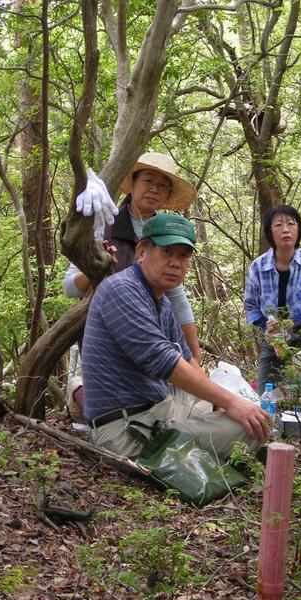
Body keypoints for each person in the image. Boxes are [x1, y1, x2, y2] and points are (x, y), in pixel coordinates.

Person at [82, 213, 270, 459]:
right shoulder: (121, 290)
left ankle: (206, 436)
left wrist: (223, 401)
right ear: (142, 252)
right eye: (167, 252)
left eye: (183, 255)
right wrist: (231, 403)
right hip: (127, 430)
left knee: (234, 404)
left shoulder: (160, 300)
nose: (175, 263)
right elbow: (164, 362)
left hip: (157, 410)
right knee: (249, 429)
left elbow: (188, 361)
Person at [63, 152, 201, 420]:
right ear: (133, 183)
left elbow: (177, 297)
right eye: (149, 180)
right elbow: (70, 287)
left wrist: (194, 352)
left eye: (163, 185)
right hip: (102, 332)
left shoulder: (168, 231)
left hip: (146, 332)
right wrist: (98, 265)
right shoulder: (104, 223)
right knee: (105, 401)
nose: (154, 189)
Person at [244, 204, 301, 394]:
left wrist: (295, 322)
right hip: (273, 335)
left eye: (291, 224)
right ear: (270, 232)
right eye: (278, 225)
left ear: (298, 229)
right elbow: (250, 306)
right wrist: (266, 327)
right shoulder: (258, 267)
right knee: (265, 394)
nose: (285, 230)